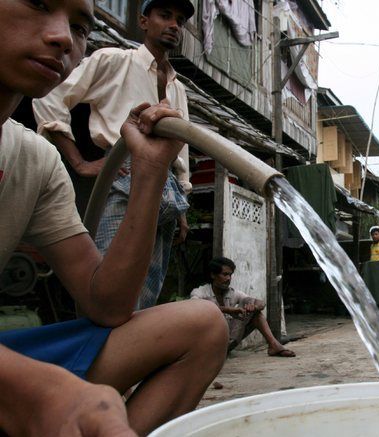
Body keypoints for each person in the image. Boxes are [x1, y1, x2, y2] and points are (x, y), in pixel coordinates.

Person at [0, 1, 228, 435]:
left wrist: (153, 173)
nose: (64, 37)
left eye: (79, 26)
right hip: (114, 177)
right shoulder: (114, 61)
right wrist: (41, 392)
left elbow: (106, 305)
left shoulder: (35, 162)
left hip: (155, 188)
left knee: (200, 323)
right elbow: (54, 104)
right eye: (37, 3)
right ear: (143, 22)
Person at [33, 0, 195, 309]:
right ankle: (103, 350)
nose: (174, 25)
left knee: (148, 289)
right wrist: (78, 161)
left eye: (180, 20)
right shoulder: (114, 60)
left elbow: (182, 148)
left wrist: (182, 205)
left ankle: (134, 355)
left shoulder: (178, 88)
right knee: (113, 285)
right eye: (165, 15)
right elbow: (53, 95)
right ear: (144, 21)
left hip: (167, 184)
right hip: (125, 174)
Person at [191, 257, 296, 357]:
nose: (228, 278)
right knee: (203, 307)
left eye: (230, 275)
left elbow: (261, 303)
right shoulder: (200, 292)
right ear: (213, 275)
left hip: (227, 342)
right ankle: (274, 346)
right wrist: (228, 310)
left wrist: (253, 307)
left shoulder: (232, 293)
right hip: (208, 344)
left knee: (254, 309)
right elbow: (193, 309)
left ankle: (274, 345)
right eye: (225, 274)